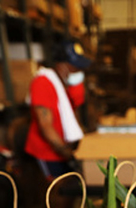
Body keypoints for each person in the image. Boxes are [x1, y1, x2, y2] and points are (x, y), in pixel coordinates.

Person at [26, 40, 91, 181]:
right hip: (49, 152)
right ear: (62, 66)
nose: (79, 72)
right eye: (75, 68)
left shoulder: (67, 86)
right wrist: (68, 153)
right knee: (58, 194)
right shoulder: (43, 83)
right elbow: (46, 127)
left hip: (65, 150)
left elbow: (75, 116)